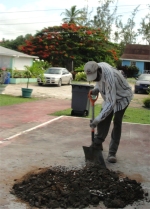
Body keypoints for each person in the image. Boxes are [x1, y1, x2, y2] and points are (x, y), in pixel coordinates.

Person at [84, 61, 133, 163]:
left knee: (117, 122)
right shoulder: (98, 67)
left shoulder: (110, 78)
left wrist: (96, 119)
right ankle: (97, 144)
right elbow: (99, 81)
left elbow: (111, 103)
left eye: (95, 76)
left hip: (122, 97)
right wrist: (97, 89)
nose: (95, 79)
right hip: (110, 97)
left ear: (98, 71)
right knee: (104, 119)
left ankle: (112, 152)